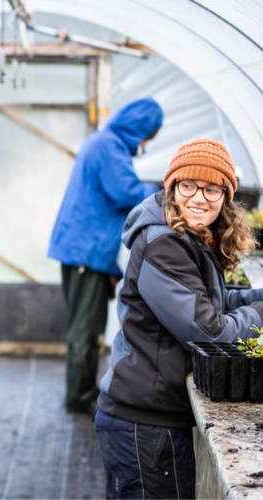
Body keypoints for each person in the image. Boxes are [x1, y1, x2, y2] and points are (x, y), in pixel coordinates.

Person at [94, 138, 262, 499]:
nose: (199, 197)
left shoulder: (187, 237)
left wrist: (256, 299)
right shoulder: (163, 244)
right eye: (188, 185)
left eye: (212, 188)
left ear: (226, 196)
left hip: (154, 415)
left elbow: (211, 304)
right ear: (172, 187)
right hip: (144, 424)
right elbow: (210, 332)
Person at [48, 97, 163, 413]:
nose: (144, 145)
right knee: (85, 328)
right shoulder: (110, 147)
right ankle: (80, 397)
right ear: (140, 129)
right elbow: (125, 192)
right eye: (146, 137)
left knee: (85, 324)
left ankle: (82, 391)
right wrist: (165, 190)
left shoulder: (103, 141)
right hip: (87, 251)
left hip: (82, 247)